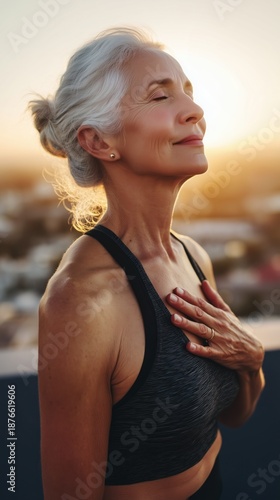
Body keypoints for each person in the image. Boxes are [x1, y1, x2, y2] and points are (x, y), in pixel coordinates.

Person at [29, 27, 265, 500]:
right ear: (99, 141)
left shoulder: (192, 256)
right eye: (160, 96)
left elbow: (233, 414)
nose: (195, 111)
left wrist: (252, 362)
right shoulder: (81, 300)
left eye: (189, 92)